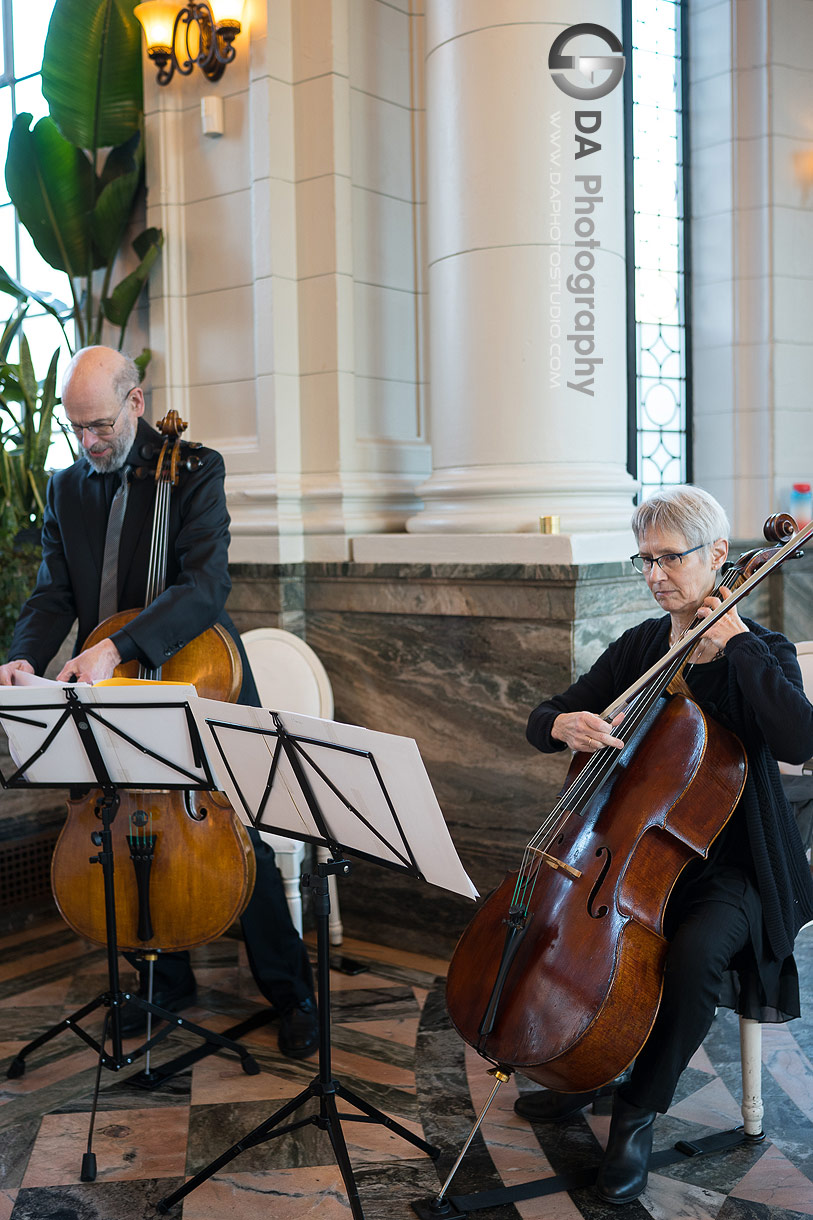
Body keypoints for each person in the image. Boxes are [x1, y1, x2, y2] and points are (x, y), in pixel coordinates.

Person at [0, 346, 319, 1059]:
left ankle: (291, 992)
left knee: (237, 835)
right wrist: (24, 654)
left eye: (101, 426)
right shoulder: (66, 488)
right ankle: (163, 981)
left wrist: (121, 647)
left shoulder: (196, 469)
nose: (89, 442)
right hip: (107, 688)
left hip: (200, 672)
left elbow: (205, 587)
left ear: (136, 403)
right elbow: (54, 593)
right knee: (128, 824)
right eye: (76, 428)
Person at [514, 485, 813, 1204]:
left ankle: (637, 1113)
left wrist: (737, 643)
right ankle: (583, 1068)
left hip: (738, 862)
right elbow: (545, 713)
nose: (653, 575)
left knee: (696, 953)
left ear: (716, 556)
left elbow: (801, 742)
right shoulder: (645, 645)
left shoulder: (761, 650)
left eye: (667, 559)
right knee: (589, 939)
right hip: (640, 854)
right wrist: (564, 727)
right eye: (643, 560)